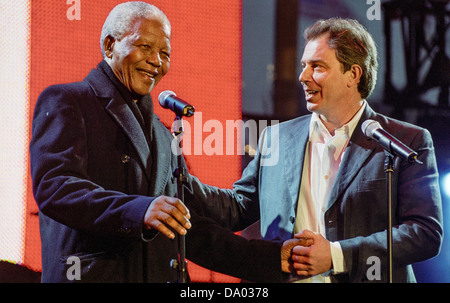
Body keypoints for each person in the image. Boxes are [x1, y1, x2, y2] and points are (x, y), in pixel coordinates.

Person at [29, 1, 306, 283]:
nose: (157, 61)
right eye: (145, 47)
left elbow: (194, 225)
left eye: (165, 53)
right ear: (110, 45)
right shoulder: (68, 101)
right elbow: (57, 188)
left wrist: (270, 257)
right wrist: (139, 211)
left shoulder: (163, 135)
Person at [195, 18, 443, 283]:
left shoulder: (406, 140)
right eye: (304, 66)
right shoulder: (276, 138)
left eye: (317, 67)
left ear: (353, 74)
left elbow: (424, 232)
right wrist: (178, 184)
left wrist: (338, 255)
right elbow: (238, 207)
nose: (303, 76)